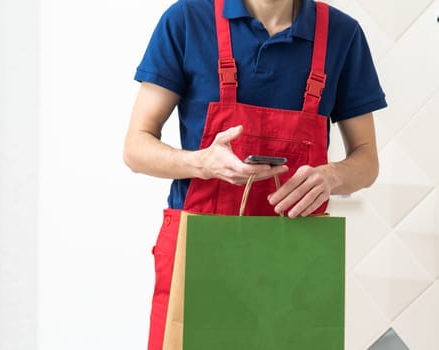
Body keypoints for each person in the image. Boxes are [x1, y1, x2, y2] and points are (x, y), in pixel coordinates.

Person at [123, 0, 387, 348]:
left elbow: (367, 160)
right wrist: (203, 163)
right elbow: (135, 148)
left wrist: (332, 177)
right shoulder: (187, 20)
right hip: (200, 259)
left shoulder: (341, 34)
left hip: (295, 268)